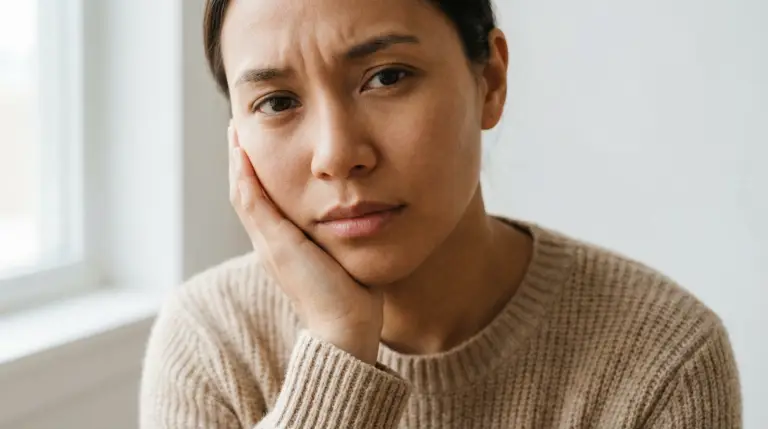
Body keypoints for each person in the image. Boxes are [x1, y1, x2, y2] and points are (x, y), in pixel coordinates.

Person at [139, 0, 742, 427]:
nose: (337, 154)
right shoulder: (213, 342)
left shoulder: (663, 359)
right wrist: (337, 347)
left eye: (387, 76)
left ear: (491, 80)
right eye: (276, 102)